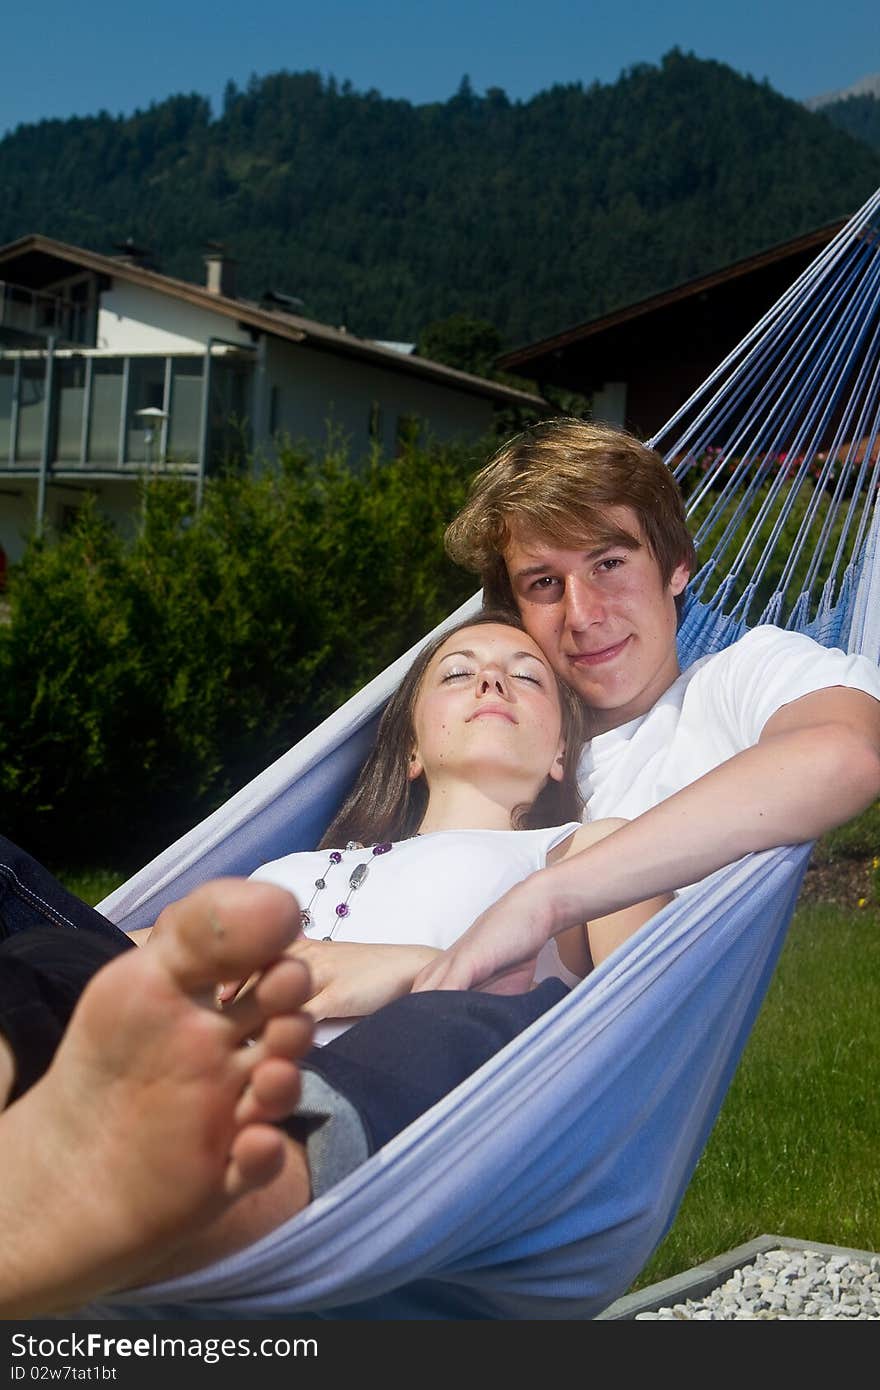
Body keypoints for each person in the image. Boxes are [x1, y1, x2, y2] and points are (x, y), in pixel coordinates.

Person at [0, 609, 667, 1314]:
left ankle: (165, 1183)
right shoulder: (289, 867)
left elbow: (639, 1029)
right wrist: (175, 953)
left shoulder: (578, 851)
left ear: (562, 752)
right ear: (411, 746)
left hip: (370, 1124)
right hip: (173, 1061)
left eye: (526, 677)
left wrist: (411, 969)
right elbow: (113, 957)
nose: (492, 680)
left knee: (454, 1017)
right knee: (40, 935)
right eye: (458, 673)